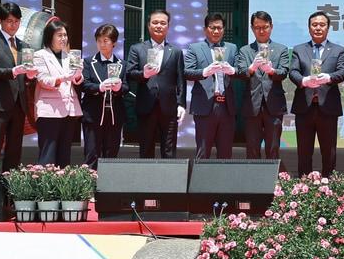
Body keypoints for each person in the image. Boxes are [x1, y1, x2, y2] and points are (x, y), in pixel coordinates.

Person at [288, 11, 344, 176]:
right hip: (304, 108)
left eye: (322, 25)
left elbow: (342, 72)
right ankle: (303, 187)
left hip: (328, 108)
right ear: (309, 28)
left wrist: (329, 77)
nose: (318, 28)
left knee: (329, 153)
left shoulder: (339, 50)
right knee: (304, 152)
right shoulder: (299, 50)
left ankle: (328, 187)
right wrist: (303, 81)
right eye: (314, 25)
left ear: (328, 28)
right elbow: (293, 71)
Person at [123, 9, 187, 158]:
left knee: (169, 150)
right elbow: (130, 73)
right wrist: (143, 74)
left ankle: (170, 180)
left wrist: (181, 104)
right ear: (148, 25)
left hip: (169, 107)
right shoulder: (137, 49)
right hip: (146, 105)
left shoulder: (175, 51)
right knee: (146, 149)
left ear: (168, 26)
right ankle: (147, 180)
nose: (159, 26)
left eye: (163, 23)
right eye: (155, 22)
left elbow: (180, 80)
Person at [0, 2, 35, 173]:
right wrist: (13, 71)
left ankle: (9, 192)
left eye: (17, 21)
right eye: (9, 21)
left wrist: (31, 75)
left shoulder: (24, 45)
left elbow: (27, 73)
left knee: (14, 150)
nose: (13, 25)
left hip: (19, 104)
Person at [237, 11, 291, 161]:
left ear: (271, 27)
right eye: (257, 27)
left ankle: (273, 183)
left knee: (273, 148)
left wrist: (272, 71)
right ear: (252, 28)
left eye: (265, 27)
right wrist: (252, 68)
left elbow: (284, 72)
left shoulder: (281, 49)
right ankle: (253, 182)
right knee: (252, 149)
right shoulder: (245, 50)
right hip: (252, 106)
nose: (261, 31)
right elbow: (240, 73)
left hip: (273, 106)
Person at [184, 13, 238, 159]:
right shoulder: (195, 48)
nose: (216, 31)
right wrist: (205, 72)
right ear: (205, 29)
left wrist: (232, 70)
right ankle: (201, 181)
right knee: (203, 151)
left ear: (224, 29)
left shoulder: (231, 48)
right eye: (212, 27)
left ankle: (224, 181)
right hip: (205, 106)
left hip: (226, 106)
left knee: (226, 153)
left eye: (219, 28)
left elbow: (241, 70)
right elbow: (187, 72)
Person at [31, 20, 84, 166]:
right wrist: (63, 78)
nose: (64, 38)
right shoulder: (40, 55)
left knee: (64, 153)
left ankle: (62, 187)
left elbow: (76, 80)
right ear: (50, 36)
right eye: (59, 35)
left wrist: (78, 74)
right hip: (49, 110)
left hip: (69, 109)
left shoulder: (69, 56)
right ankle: (45, 186)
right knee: (48, 153)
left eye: (65, 35)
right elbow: (43, 80)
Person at [79, 24, 125, 168]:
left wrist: (118, 88)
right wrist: (99, 87)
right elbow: (83, 85)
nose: (102, 44)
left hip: (114, 115)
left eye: (106, 41)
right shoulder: (88, 61)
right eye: (99, 41)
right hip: (93, 114)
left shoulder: (122, 64)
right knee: (91, 154)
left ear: (114, 43)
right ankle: (90, 188)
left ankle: (109, 188)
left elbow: (127, 87)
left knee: (111, 154)